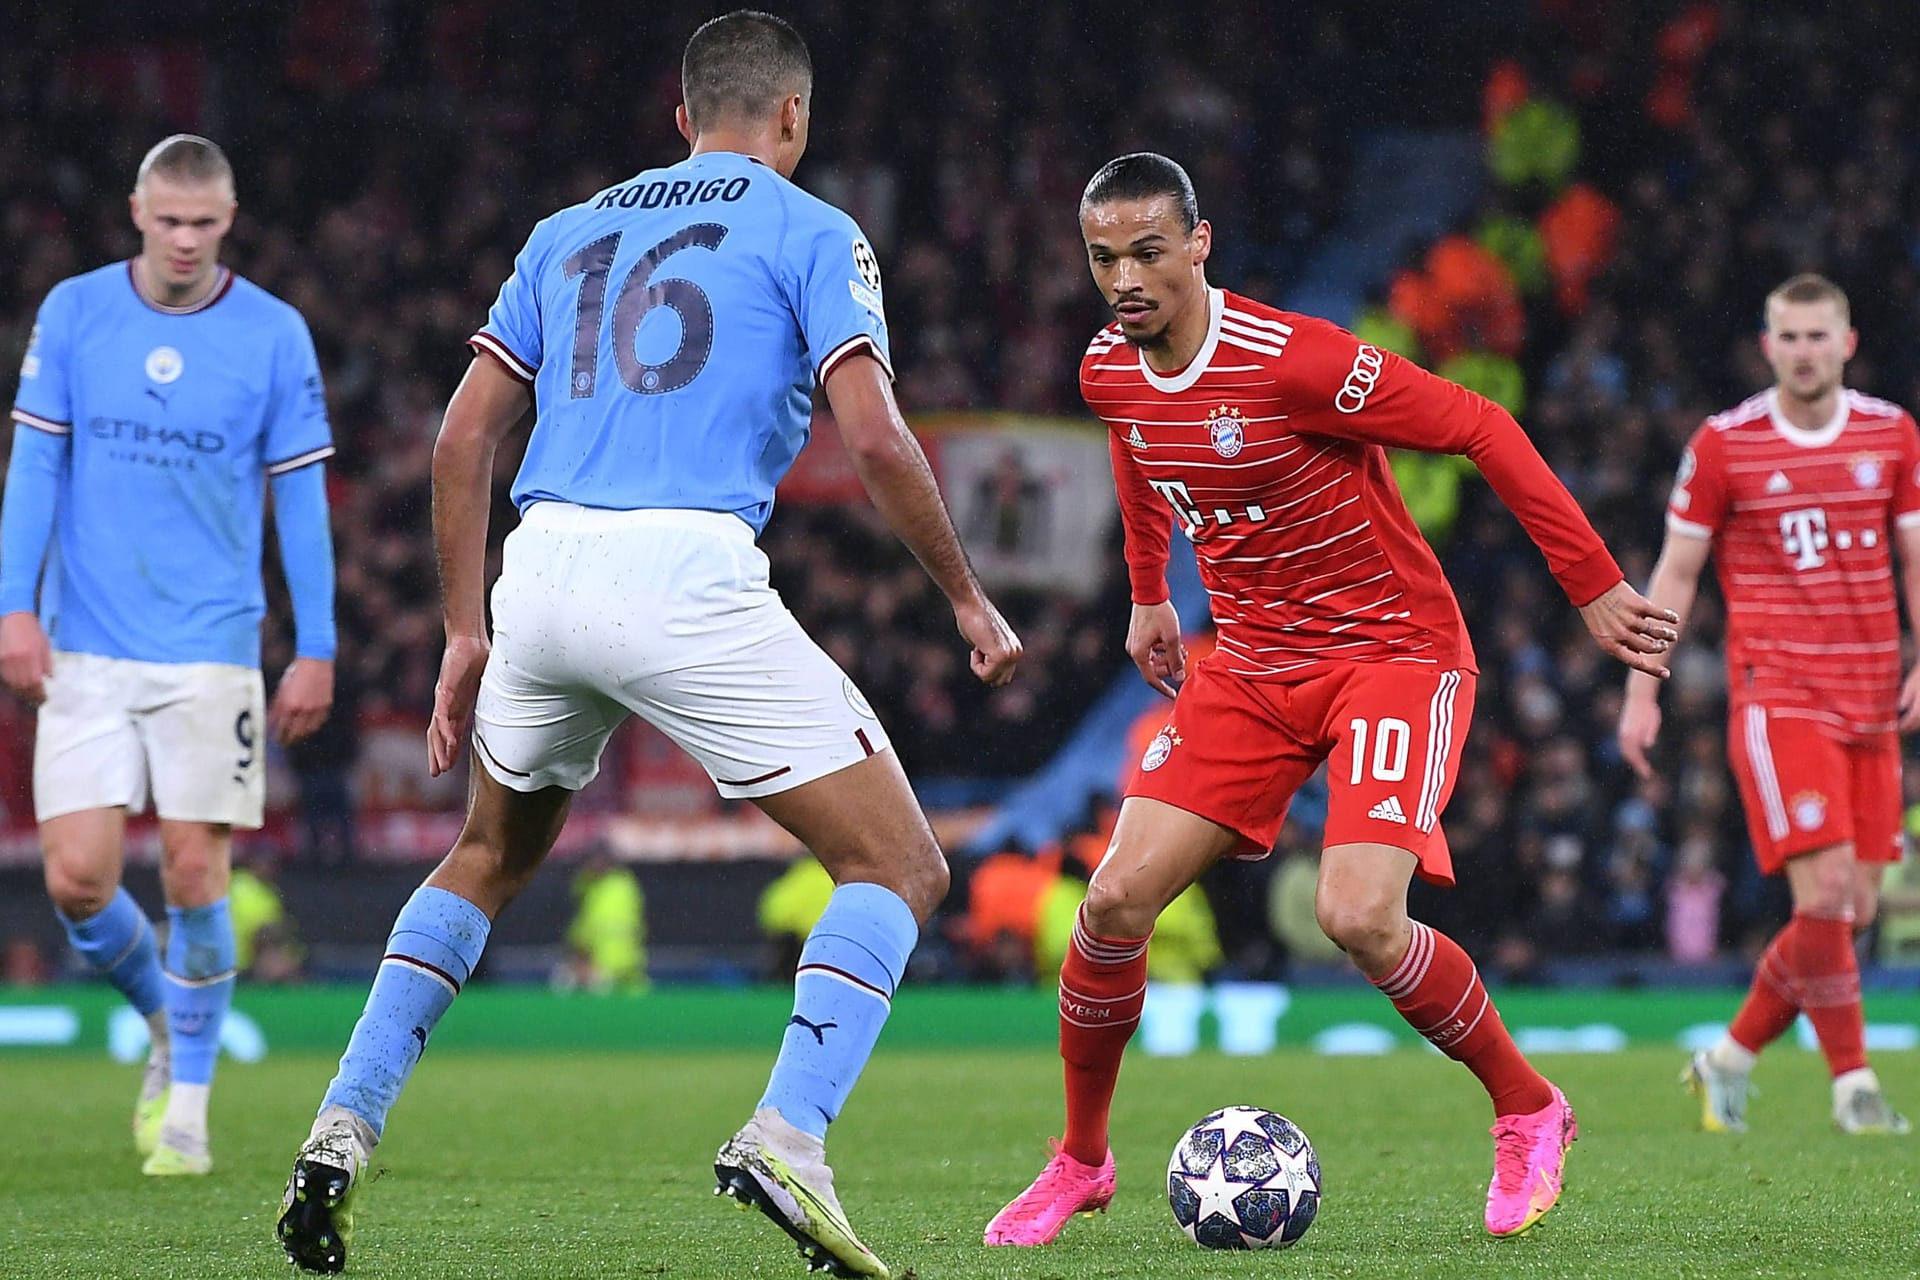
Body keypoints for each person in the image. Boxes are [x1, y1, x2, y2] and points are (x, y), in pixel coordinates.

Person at [274, 12, 1019, 1278]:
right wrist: (965, 595)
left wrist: (465, 629)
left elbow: (462, 444)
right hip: (685, 569)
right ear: (793, 117)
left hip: (544, 567)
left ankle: (343, 1117)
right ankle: (789, 1129)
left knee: (488, 853)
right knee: (899, 865)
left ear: (680, 119)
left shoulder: (563, 235)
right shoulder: (812, 231)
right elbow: (881, 440)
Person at [984, 153, 1676, 1247]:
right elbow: (1138, 452)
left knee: (1355, 912)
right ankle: (1080, 1159)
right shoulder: (1108, 370)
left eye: (1148, 253)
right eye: (1104, 256)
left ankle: (1529, 1103)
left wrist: (1591, 586)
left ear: (1199, 244)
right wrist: (1146, 595)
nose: (1125, 278)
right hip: (1252, 662)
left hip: (1391, 652)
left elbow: (1481, 428)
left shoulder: (1296, 361)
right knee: (1110, 904)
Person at [1, 134, 336, 1177]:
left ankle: (187, 1106)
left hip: (211, 647)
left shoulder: (275, 335)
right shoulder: (75, 312)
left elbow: (302, 499)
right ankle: (163, 1018)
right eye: (169, 220)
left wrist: (316, 644)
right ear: (137, 211)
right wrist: (14, 606)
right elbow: (35, 471)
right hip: (88, 644)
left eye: (205, 223)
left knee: (196, 868)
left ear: (227, 220)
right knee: (79, 880)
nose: (186, 240)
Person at [1619, 273, 1914, 1136]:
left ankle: (1728, 1059)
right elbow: (1674, 574)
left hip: (1872, 702)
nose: (1805, 352)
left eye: (1820, 336)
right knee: (1822, 894)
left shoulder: (1892, 434)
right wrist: (1643, 692)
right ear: (1767, 342)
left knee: (1850, 912)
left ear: (1848, 342)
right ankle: (1853, 1086)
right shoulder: (1724, 445)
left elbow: (1914, 559)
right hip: (1780, 695)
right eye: (1789, 336)